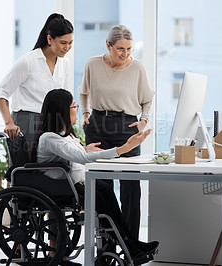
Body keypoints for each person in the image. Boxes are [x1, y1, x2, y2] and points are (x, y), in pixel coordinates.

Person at [32, 89, 158, 264]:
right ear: (61, 111)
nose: (76, 109)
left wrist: (85, 149)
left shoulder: (64, 136)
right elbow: (82, 159)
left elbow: (76, 153)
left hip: (73, 185)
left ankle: (130, 242)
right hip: (62, 189)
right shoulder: (49, 138)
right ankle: (130, 245)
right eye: (73, 106)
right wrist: (123, 149)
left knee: (105, 190)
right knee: (101, 194)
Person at [78, 25, 155, 240]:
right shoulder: (93, 64)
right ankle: (106, 244)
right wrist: (85, 114)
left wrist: (144, 120)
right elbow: (83, 91)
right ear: (108, 46)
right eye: (120, 49)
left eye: (129, 49)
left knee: (131, 187)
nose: (125, 54)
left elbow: (147, 98)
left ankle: (131, 243)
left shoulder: (137, 68)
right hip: (98, 125)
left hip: (126, 127)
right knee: (103, 187)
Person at [0, 13, 74, 154]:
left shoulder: (65, 63)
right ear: (49, 39)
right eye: (63, 43)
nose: (67, 47)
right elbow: (1, 93)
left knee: (51, 171)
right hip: (27, 122)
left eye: (70, 42)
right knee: (26, 171)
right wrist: (9, 123)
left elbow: (65, 98)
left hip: (53, 124)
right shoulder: (28, 62)